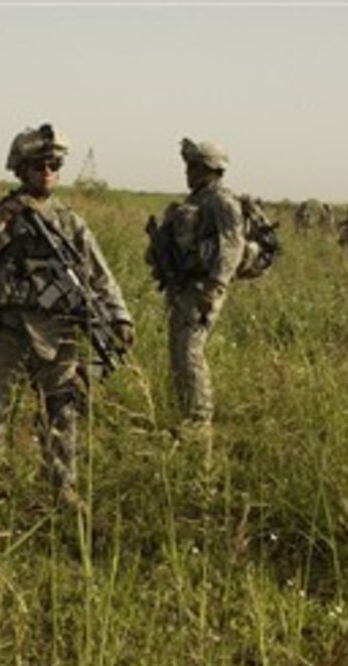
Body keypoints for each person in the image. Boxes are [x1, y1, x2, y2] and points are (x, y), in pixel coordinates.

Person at [0, 124, 133, 518]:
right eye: (38, 164)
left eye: (54, 164)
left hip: (59, 328)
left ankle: (62, 489)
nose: (47, 170)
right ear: (21, 169)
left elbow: (100, 274)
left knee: (62, 409)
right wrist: (1, 222)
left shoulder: (70, 222)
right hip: (9, 328)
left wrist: (119, 315)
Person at [148, 138, 245, 442]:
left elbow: (232, 245)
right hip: (186, 286)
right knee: (179, 350)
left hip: (203, 289)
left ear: (208, 168)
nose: (187, 171)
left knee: (190, 351)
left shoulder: (221, 201)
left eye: (193, 166)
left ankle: (199, 419)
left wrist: (215, 287)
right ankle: (185, 413)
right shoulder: (200, 199)